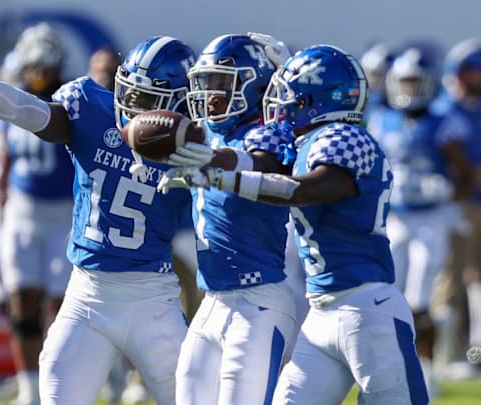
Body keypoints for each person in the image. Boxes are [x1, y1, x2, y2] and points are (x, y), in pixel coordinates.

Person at [0, 35, 196, 405]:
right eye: (128, 90)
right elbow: (25, 109)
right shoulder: (92, 108)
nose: (130, 104)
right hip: (87, 294)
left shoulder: (195, 143)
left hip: (153, 298)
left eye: (146, 98)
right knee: (56, 393)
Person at [160, 44, 429, 404]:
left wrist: (218, 177)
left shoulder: (346, 137)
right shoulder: (304, 143)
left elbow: (300, 191)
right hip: (320, 312)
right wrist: (211, 158)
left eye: (290, 96)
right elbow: (258, 163)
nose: (282, 106)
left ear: (315, 97)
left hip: (367, 308)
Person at [156, 33, 297, 404]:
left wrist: (212, 162)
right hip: (212, 301)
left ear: (255, 85)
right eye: (205, 83)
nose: (210, 94)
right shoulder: (208, 134)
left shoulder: (265, 135)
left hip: (259, 303)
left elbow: (262, 164)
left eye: (221, 83)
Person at [368, 46, 467, 397]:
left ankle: (427, 369)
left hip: (432, 219)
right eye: (404, 81)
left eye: (415, 81)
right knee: (389, 293)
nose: (409, 89)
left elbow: (464, 173)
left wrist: (448, 188)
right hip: (395, 218)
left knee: (421, 297)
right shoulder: (382, 118)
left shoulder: (443, 119)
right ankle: (394, 365)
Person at [0, 23, 76, 405]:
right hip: (22, 214)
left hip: (63, 213)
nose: (38, 73)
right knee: (22, 304)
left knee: (62, 308)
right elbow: (2, 162)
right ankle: (28, 386)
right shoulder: (13, 101)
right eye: (33, 66)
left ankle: (58, 382)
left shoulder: (71, 99)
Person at [433, 38, 481, 376]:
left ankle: (480, 351)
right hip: (457, 205)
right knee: (450, 278)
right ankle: (444, 351)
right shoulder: (444, 110)